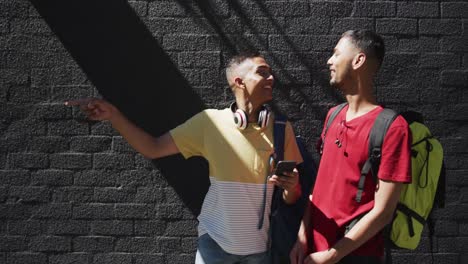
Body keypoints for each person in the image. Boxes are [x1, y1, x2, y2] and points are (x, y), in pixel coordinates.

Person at [66, 51, 303, 264]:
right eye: (263, 73)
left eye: (271, 73)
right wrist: (114, 115)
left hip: (260, 251)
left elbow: (291, 198)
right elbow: (153, 147)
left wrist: (291, 188)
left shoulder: (281, 129)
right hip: (215, 248)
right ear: (238, 81)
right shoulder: (210, 123)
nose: (271, 78)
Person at [290, 30, 412, 264]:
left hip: (355, 256)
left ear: (358, 60)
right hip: (314, 254)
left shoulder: (392, 127)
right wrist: (302, 237)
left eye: (336, 53)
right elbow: (320, 189)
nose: (329, 61)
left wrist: (333, 255)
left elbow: (384, 211)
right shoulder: (333, 116)